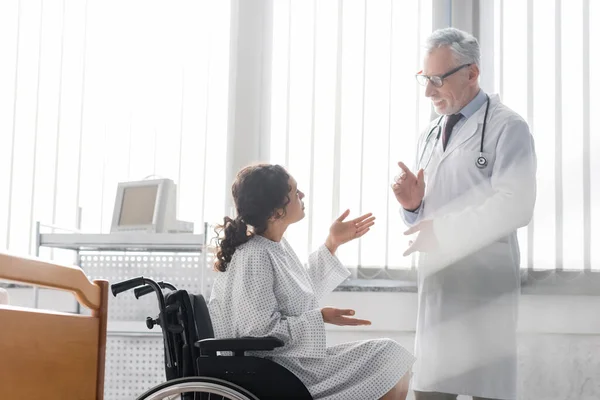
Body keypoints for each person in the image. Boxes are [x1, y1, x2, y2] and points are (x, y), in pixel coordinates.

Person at [391, 28, 537, 400]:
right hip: (439, 289)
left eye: (438, 80)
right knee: (430, 391)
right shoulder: (430, 132)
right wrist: (412, 206)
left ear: (472, 73)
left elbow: (516, 204)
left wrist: (442, 230)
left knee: (487, 391)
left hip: (484, 290)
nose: (428, 92)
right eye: (425, 79)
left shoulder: (509, 127)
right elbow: (429, 212)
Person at [209, 164, 415, 400]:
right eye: (294, 191)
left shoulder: (275, 247)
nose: (302, 195)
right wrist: (320, 317)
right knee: (388, 356)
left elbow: (300, 293)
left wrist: (332, 242)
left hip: (290, 366)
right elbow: (257, 334)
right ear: (276, 212)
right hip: (274, 373)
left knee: (393, 360)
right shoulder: (254, 255)